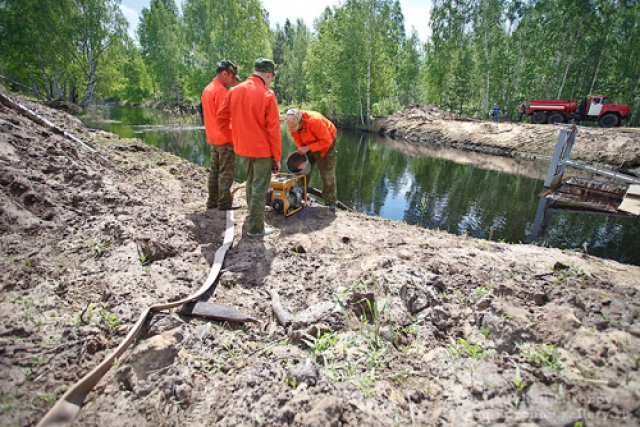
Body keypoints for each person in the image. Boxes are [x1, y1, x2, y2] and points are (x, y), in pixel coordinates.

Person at [217, 58, 281, 237]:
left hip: (242, 148)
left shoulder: (234, 91)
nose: (271, 81)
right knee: (260, 187)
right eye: (271, 77)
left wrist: (234, 137)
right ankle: (256, 228)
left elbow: (221, 119)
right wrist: (277, 158)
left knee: (251, 181)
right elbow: (274, 130)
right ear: (268, 74)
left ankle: (253, 215)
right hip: (262, 150)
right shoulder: (268, 95)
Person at [201, 60, 241, 211]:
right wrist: (233, 138)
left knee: (214, 171)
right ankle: (224, 203)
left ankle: (212, 201)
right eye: (232, 77)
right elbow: (225, 118)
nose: (232, 81)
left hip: (213, 138)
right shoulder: (221, 92)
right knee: (226, 172)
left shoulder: (207, 90)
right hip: (224, 138)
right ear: (225, 73)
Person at [284, 109, 338, 212]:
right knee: (301, 172)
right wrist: (303, 152)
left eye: (295, 128)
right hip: (306, 144)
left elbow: (326, 141)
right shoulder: (292, 123)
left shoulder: (315, 121)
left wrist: (308, 148)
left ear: (301, 121)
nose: (293, 130)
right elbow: (297, 139)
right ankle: (299, 196)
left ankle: (330, 202)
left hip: (326, 144)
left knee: (327, 173)